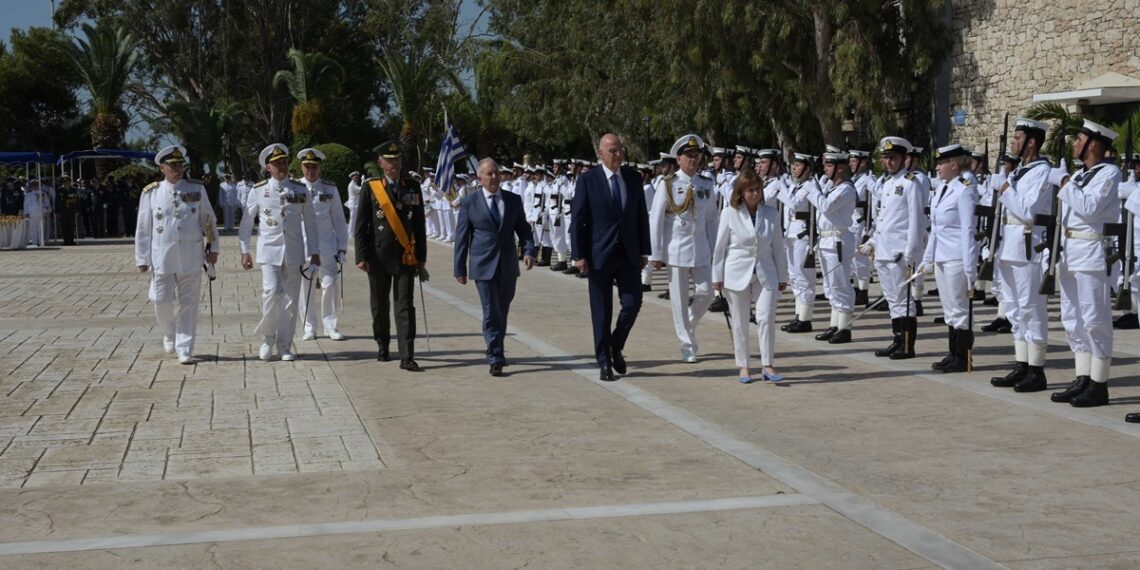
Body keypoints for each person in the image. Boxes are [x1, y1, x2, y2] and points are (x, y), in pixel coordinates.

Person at [1047, 120, 1122, 408]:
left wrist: (1064, 182)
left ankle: (1099, 384)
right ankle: (1082, 377)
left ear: (1093, 145)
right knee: (1072, 319)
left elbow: (1089, 208)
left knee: (1095, 320)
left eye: (1079, 139)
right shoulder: (1080, 175)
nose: (1074, 144)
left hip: (1092, 252)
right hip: (1070, 252)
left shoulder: (1110, 173)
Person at [570, 133, 652, 381]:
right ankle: (604, 362)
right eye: (613, 151)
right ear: (601, 154)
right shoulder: (588, 180)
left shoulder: (632, 178)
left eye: (620, 150)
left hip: (628, 253)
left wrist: (644, 250)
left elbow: (640, 215)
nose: (618, 155)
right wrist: (578, 255)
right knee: (601, 312)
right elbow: (578, 219)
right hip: (598, 255)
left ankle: (616, 344)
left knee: (633, 302)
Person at [135, 145, 220, 364]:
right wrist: (142, 257)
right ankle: (169, 332)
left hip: (191, 255)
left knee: (189, 304)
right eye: (173, 165)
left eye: (180, 165)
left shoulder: (196, 189)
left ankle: (185, 348)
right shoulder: (151, 192)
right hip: (162, 257)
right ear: (162, 168)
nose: (178, 169)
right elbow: (143, 227)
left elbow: (208, 220)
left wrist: (213, 248)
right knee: (161, 300)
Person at [453, 158, 537, 376]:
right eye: (489, 173)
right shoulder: (469, 203)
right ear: (479, 178)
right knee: (490, 311)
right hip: (483, 265)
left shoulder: (512, 200)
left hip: (507, 265)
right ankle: (495, 356)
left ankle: (496, 346)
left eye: (496, 173)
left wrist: (529, 251)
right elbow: (462, 238)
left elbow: (523, 229)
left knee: (502, 310)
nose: (494, 177)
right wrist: (459, 268)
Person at [239, 143, 320, 362]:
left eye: (284, 162)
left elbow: (311, 223)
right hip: (269, 251)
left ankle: (285, 345)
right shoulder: (258, 190)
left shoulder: (300, 190)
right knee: (272, 292)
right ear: (268, 168)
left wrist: (315, 251)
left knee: (290, 301)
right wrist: (245, 250)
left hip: (294, 251)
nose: (282, 166)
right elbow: (246, 223)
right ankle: (268, 337)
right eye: (277, 164)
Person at [989, 118, 1054, 392]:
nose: (1013, 143)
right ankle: (1022, 364)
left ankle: (1037, 370)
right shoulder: (1018, 172)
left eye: (1017, 138)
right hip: (1009, 246)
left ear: (1031, 142)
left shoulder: (1042, 172)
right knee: (1014, 310)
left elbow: (1028, 211)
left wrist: (1005, 188)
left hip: (1028, 248)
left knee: (1031, 309)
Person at [354, 141, 428, 370]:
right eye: (389, 160)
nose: (394, 163)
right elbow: (361, 225)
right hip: (378, 256)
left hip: (405, 256)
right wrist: (361, 256)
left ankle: (407, 355)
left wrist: (421, 257)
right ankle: (383, 344)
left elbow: (419, 224)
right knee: (379, 306)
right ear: (381, 163)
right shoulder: (371, 187)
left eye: (397, 159)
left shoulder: (412, 186)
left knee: (405, 305)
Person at [712, 169, 788, 383]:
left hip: (766, 272)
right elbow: (720, 247)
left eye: (758, 189)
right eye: (750, 190)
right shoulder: (729, 213)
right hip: (736, 273)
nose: (755, 193)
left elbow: (778, 247)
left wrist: (783, 275)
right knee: (740, 322)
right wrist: (716, 276)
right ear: (741, 192)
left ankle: (768, 364)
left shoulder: (771, 213)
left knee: (766, 317)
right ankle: (744, 365)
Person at [649, 134, 719, 362]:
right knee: (678, 300)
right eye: (688, 155)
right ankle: (687, 345)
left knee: (707, 292)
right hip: (677, 249)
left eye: (696, 155)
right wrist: (655, 254)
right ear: (678, 159)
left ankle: (687, 324)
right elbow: (656, 219)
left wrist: (716, 251)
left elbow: (711, 220)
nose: (693, 159)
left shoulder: (706, 184)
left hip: (701, 248)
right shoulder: (667, 184)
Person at [858, 137, 925, 359]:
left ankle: (907, 345)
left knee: (904, 300)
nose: (888, 162)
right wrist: (871, 242)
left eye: (893, 158)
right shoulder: (887, 184)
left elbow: (916, 222)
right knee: (892, 299)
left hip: (899, 253)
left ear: (904, 159)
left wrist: (910, 254)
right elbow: (884, 221)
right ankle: (897, 340)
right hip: (884, 251)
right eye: (885, 158)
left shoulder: (911, 184)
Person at [919, 145, 979, 373]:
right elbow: (935, 229)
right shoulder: (943, 189)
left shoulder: (964, 190)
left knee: (960, 310)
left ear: (953, 164)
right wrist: (928, 258)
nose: (937, 167)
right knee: (949, 310)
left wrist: (970, 266)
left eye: (941, 163)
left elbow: (968, 230)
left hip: (957, 258)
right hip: (942, 257)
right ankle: (953, 352)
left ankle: (963, 357)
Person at [296, 148, 348, 341]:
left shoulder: (329, 189)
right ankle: (309, 327)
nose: (311, 170)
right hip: (303, 245)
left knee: (330, 284)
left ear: (320, 168)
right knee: (306, 288)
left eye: (314, 167)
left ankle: (330, 325)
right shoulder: (295, 188)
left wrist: (342, 245)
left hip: (327, 246)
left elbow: (339, 219)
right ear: (301, 167)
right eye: (307, 166)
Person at [806, 149, 858, 344]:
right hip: (826, 240)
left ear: (840, 168)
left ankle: (845, 328)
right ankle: (835, 325)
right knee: (830, 286)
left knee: (840, 284)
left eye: (829, 165)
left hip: (838, 241)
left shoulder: (846, 189)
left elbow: (826, 206)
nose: (825, 169)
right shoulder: (831, 187)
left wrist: (812, 190)